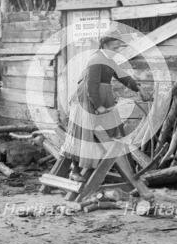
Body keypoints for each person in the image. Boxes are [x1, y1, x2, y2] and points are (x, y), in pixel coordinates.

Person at [60, 30, 150, 181]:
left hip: (102, 98)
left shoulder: (109, 61)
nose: (117, 51)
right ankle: (74, 170)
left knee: (114, 131)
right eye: (114, 48)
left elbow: (123, 76)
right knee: (82, 133)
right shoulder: (96, 60)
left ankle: (121, 170)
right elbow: (91, 86)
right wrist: (98, 106)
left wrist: (138, 88)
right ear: (104, 45)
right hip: (86, 100)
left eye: (118, 48)